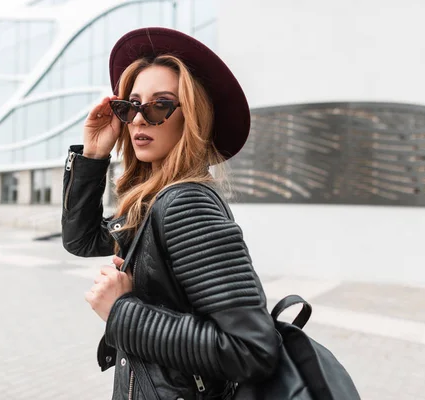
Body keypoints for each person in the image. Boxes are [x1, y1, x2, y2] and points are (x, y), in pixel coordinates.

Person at [62, 27, 279, 399]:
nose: (139, 119)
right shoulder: (154, 202)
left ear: (192, 117)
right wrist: (94, 154)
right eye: (131, 106)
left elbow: (252, 350)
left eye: (160, 105)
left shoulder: (185, 205)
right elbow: (81, 240)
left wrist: (122, 312)